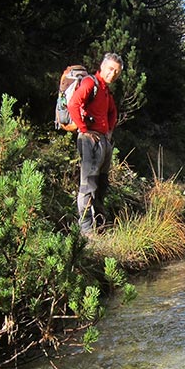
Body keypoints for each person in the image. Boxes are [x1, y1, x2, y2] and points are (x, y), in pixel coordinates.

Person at [67, 52, 123, 234]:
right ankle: (86, 231)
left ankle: (101, 225)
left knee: (101, 184)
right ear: (102, 66)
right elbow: (73, 104)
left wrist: (109, 131)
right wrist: (84, 129)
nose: (113, 74)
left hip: (103, 141)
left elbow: (113, 112)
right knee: (88, 184)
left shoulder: (106, 90)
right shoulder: (91, 83)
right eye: (111, 69)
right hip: (89, 141)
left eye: (117, 71)